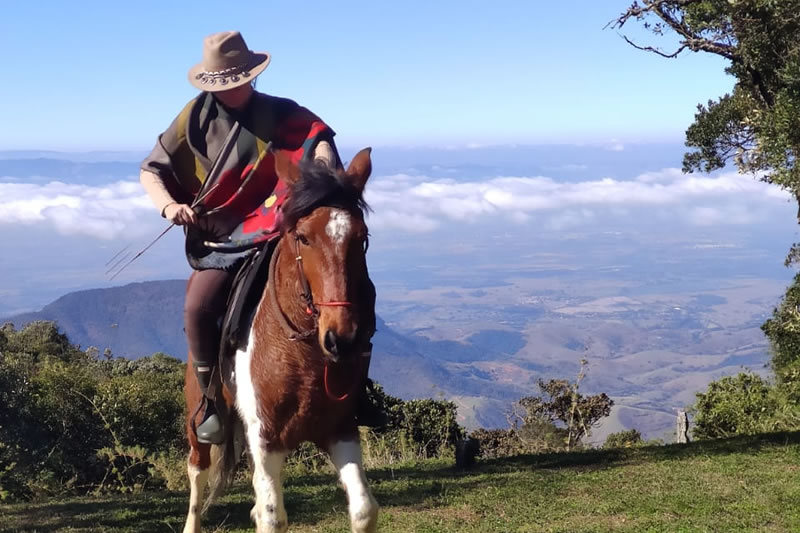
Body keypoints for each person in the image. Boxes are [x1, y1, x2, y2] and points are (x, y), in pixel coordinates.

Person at [140, 31, 384, 444]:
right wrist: (169, 207)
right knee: (199, 306)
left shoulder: (282, 113)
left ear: (251, 76)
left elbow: (317, 139)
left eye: (238, 80)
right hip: (221, 238)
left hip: (280, 228)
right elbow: (152, 170)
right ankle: (209, 402)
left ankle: (355, 391)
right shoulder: (193, 120)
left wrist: (322, 169)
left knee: (358, 290)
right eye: (223, 82)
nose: (233, 89)